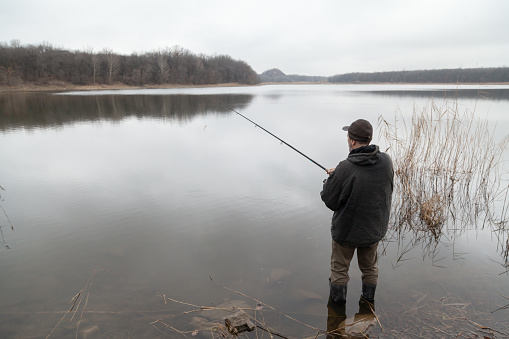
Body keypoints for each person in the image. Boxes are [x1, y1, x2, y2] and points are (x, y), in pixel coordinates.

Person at [320, 119, 393, 306]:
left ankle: (337, 311)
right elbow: (369, 177)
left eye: (348, 136)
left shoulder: (346, 167)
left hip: (346, 232)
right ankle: (368, 304)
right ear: (369, 139)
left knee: (339, 270)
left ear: (352, 141)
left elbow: (330, 200)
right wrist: (340, 174)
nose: (347, 139)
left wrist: (332, 179)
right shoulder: (386, 161)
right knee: (370, 269)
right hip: (373, 230)